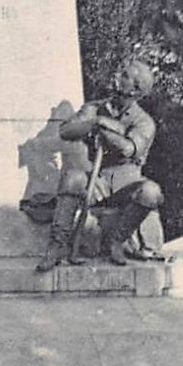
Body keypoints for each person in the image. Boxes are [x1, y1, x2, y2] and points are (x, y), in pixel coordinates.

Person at [37, 60, 166, 270]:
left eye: (124, 75)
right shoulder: (95, 108)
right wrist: (94, 122)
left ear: (135, 89)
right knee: (73, 179)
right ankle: (57, 246)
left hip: (128, 184)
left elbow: (128, 149)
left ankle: (118, 241)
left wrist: (106, 128)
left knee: (151, 192)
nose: (117, 75)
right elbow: (66, 131)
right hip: (98, 180)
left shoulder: (144, 122)